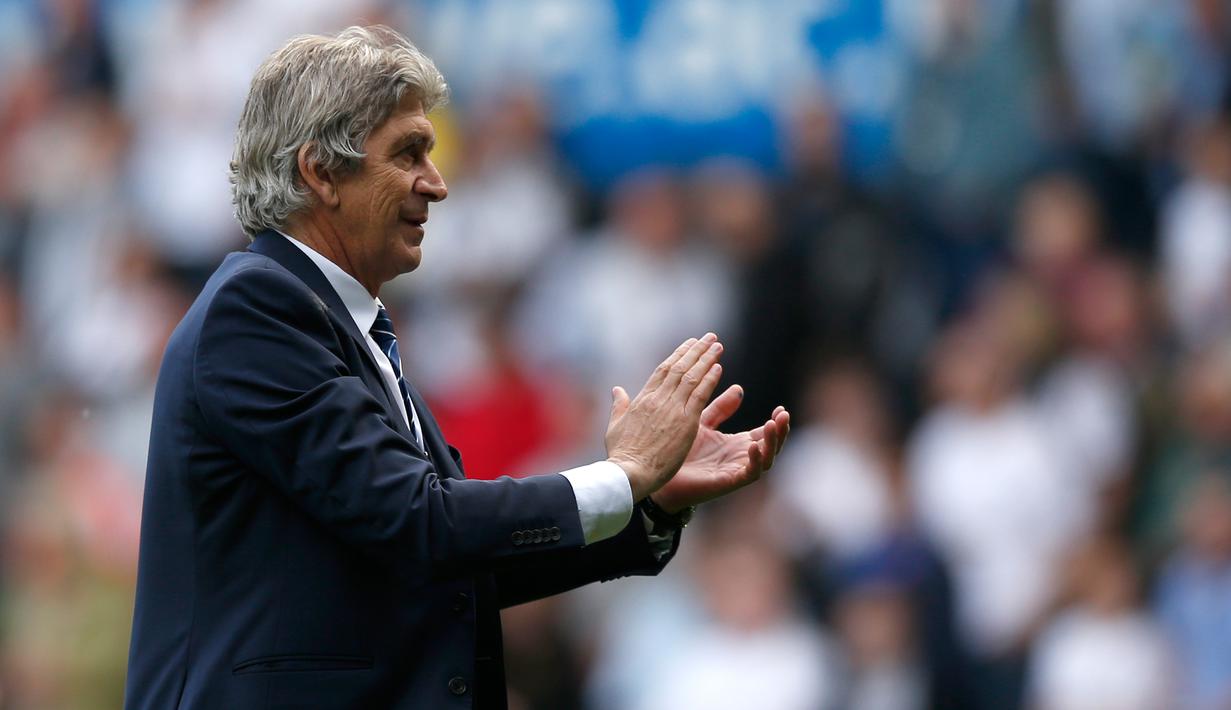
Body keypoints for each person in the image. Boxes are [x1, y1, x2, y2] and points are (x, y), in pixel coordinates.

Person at [122, 26, 790, 710]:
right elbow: (421, 521)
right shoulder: (255, 310)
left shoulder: (346, 328)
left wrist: (647, 503)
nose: (436, 185)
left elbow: (444, 562)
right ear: (319, 171)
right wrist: (619, 477)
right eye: (407, 153)